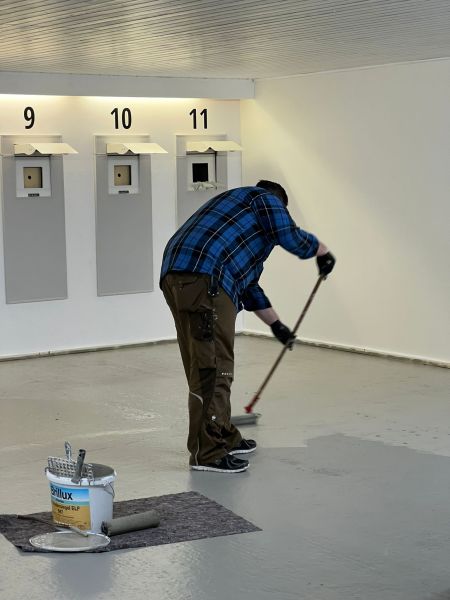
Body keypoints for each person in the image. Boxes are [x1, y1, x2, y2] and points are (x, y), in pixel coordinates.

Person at [160, 181, 335, 473]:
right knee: (214, 367)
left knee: (204, 361)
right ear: (279, 203)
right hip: (206, 277)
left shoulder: (238, 220)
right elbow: (289, 234)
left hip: (180, 276)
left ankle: (222, 434)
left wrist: (277, 326)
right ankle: (208, 453)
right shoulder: (263, 197)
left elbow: (249, 286)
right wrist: (322, 251)